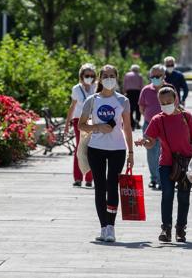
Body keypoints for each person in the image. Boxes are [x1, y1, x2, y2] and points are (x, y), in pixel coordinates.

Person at [135, 86, 192, 243]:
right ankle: (166, 228)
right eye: (163, 103)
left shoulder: (186, 116)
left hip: (186, 163)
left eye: (169, 101)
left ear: (176, 99)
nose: (166, 105)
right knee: (167, 195)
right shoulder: (157, 119)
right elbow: (151, 142)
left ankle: (180, 229)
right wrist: (143, 142)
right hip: (166, 163)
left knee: (184, 196)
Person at [78, 65, 134, 243]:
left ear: (116, 78)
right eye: (106, 76)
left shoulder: (123, 100)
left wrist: (131, 152)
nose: (109, 78)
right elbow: (81, 125)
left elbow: (127, 129)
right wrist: (97, 127)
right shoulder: (92, 100)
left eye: (112, 76)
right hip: (96, 149)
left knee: (112, 187)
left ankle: (111, 227)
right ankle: (103, 227)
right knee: (100, 188)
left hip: (118, 149)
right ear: (100, 79)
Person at [64, 63, 96, 187]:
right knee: (80, 149)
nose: (90, 78)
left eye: (92, 75)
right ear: (81, 76)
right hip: (79, 121)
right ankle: (78, 178)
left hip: (93, 121)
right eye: (87, 75)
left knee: (92, 149)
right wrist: (67, 123)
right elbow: (72, 106)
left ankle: (89, 178)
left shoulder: (97, 87)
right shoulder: (76, 88)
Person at [138, 64, 169, 190]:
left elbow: (176, 106)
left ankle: (163, 179)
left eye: (158, 76)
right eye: (153, 76)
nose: (155, 78)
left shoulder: (169, 89)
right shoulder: (146, 90)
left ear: (164, 76)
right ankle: (154, 178)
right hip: (149, 125)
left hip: (166, 126)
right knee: (151, 153)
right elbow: (141, 107)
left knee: (165, 153)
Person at [123, 64, 144, 130]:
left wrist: (124, 92)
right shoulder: (139, 75)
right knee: (138, 107)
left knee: (130, 108)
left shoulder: (127, 75)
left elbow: (124, 85)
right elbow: (141, 86)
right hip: (137, 92)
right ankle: (137, 121)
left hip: (129, 93)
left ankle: (132, 122)